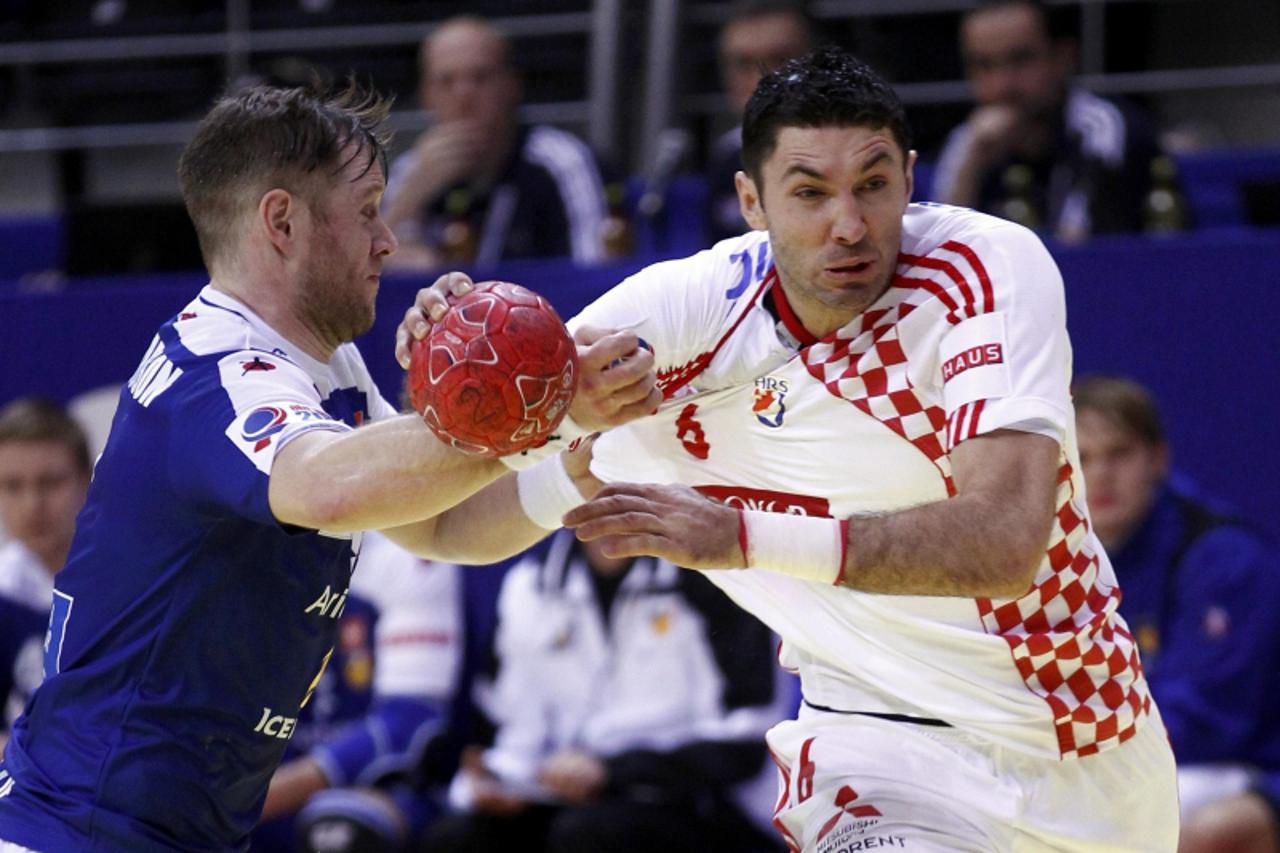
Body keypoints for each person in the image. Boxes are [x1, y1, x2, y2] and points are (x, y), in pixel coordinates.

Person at [396, 46, 1180, 851]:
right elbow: (439, 525)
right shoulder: (677, 323)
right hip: (866, 744)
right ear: (751, 200)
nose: (848, 225)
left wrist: (742, 539)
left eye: (872, 186)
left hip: (1074, 742)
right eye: (809, 193)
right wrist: (453, 384)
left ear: (911, 180)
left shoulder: (983, 271)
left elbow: (1005, 538)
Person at [0, 81, 658, 853]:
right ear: (282, 221)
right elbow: (328, 486)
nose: (388, 238)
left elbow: (444, 524)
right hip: (79, 832)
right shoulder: (218, 371)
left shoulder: (326, 366)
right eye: (369, 208)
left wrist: (560, 458)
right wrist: (540, 403)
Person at [422, 531, 786, 853]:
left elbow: (749, 742)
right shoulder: (529, 584)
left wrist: (613, 772)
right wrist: (492, 781)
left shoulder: (711, 578)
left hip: (698, 804)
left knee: (590, 834)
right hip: (569, 802)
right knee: (459, 838)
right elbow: (512, 735)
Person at [1074, 375, 1280, 853]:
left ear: (1157, 459)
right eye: (1082, 458)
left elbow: (1209, 722)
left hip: (1246, 768)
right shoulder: (1060, 561)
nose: (1101, 475)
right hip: (1120, 762)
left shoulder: (1225, 561)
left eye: (1119, 453)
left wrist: (1074, 748)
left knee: (1162, 837)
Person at [251, 532, 464, 853]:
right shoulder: (230, 552)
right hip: (250, 779)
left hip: (377, 784)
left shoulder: (409, 551)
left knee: (339, 825)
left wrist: (248, 800)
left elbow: (408, 722)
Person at [382, 15, 610, 270]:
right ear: (426, 95)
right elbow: (362, 277)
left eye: (480, 77)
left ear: (513, 85)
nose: (463, 96)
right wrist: (409, 201)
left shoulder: (561, 163)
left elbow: (595, 275)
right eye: (446, 81)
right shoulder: (411, 172)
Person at [932, 0, 1168, 240]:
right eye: (983, 65)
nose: (1003, 84)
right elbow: (940, 252)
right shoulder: (968, 141)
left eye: (1021, 59)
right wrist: (971, 167)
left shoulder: (1103, 127)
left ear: (1064, 57)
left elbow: (1082, 248)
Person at [0, 398, 92, 756]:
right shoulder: (4, 594)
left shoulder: (139, 586)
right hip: (31, 802)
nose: (32, 504)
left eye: (50, 482)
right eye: (12, 486)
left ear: (87, 481)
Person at [705, 0, 814, 245]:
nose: (761, 79)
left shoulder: (852, 151)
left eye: (780, 60)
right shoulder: (726, 157)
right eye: (743, 64)